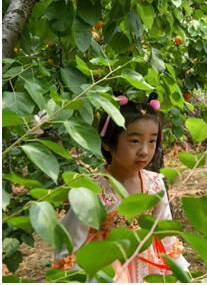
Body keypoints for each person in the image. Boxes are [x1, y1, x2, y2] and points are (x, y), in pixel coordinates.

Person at [53, 93, 189, 282]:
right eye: (134, 141)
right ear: (108, 143)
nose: (144, 151)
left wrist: (181, 271)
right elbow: (70, 239)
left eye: (152, 141)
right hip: (106, 268)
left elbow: (164, 234)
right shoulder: (91, 190)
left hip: (148, 268)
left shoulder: (155, 184)